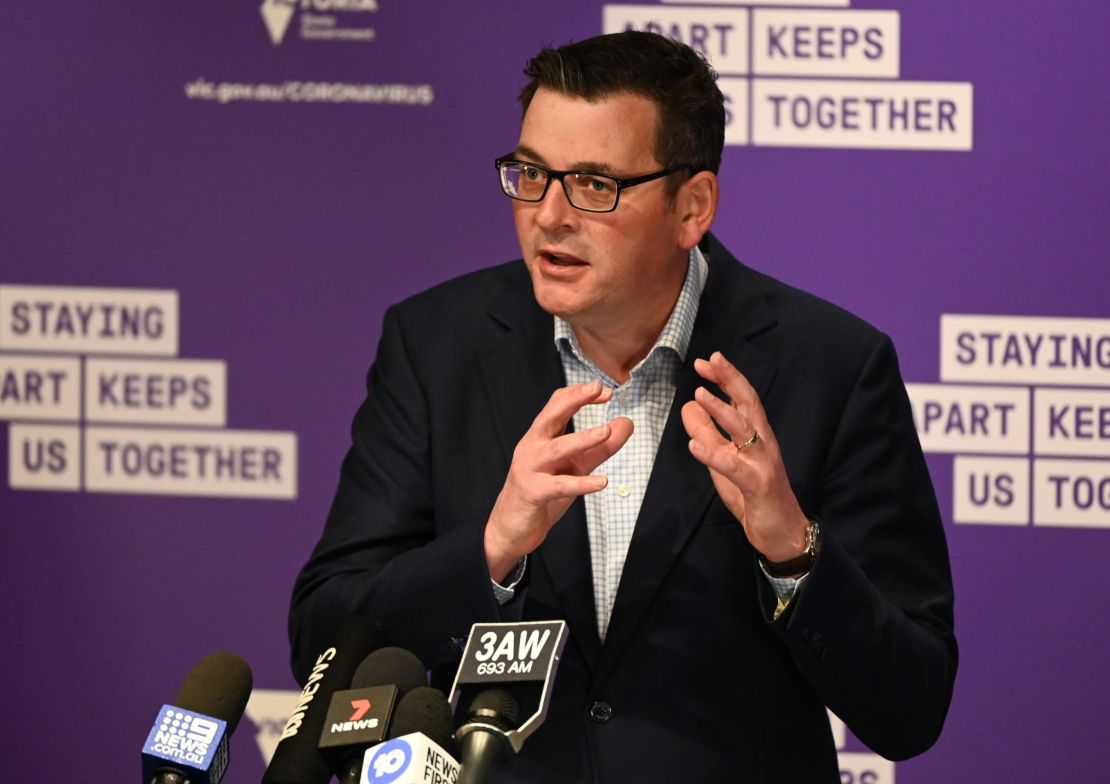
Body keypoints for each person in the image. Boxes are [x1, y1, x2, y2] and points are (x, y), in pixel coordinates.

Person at [290, 30, 956, 783]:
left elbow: (911, 705)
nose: (549, 216)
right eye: (532, 174)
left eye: (594, 185)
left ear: (691, 206)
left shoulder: (830, 368)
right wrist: (490, 550)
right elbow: (323, 641)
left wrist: (794, 553)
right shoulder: (434, 345)